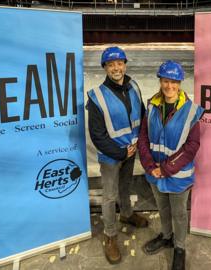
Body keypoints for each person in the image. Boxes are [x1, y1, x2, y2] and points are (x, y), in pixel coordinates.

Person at [137, 60, 204, 270]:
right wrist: (150, 166)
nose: (169, 86)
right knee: (163, 209)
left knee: (179, 214)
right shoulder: (152, 106)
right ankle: (166, 237)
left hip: (178, 176)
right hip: (154, 174)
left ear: (180, 83)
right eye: (166, 81)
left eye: (174, 82)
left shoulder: (191, 111)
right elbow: (143, 139)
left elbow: (192, 146)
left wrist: (165, 168)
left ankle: (180, 248)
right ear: (160, 81)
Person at [87, 46, 149, 264]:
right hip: (112, 156)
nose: (116, 68)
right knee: (110, 196)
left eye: (119, 63)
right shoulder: (97, 97)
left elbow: (140, 115)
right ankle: (110, 235)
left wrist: (138, 145)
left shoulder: (133, 87)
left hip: (130, 152)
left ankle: (127, 213)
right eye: (111, 64)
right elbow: (97, 135)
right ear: (105, 68)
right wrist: (121, 152)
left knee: (125, 187)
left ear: (125, 64)